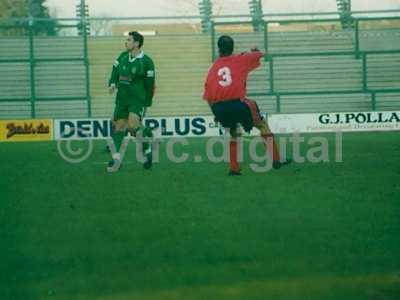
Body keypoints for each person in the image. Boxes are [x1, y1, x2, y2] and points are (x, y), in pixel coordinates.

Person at [203, 35, 290, 175]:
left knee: (234, 132)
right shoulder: (241, 60)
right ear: (233, 47)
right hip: (237, 103)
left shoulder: (213, 68)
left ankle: (234, 168)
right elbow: (260, 54)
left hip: (219, 108)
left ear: (218, 49)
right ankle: (276, 159)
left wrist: (216, 114)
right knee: (262, 125)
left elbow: (208, 97)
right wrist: (255, 50)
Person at [107, 31, 156, 172]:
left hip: (137, 99)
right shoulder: (122, 56)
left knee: (134, 125)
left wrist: (147, 102)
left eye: (129, 40)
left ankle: (147, 136)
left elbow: (150, 84)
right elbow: (115, 71)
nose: (126, 42)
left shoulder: (147, 61)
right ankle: (116, 159)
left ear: (136, 43)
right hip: (122, 98)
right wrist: (112, 83)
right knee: (119, 126)